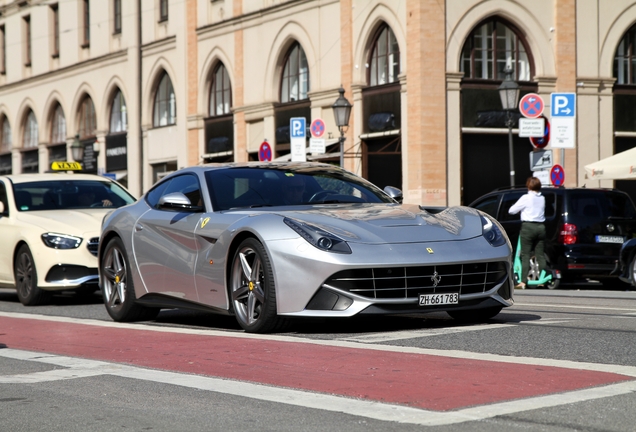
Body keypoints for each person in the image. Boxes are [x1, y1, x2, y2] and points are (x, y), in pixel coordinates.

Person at [508, 176, 546, 289]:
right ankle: (543, 279)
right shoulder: (542, 198)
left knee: (525, 254)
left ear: (528, 186)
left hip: (528, 227)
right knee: (540, 255)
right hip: (541, 227)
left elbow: (512, 210)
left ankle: (523, 281)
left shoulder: (526, 197)